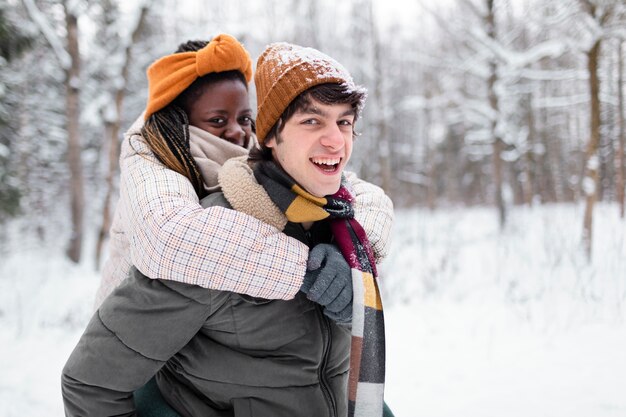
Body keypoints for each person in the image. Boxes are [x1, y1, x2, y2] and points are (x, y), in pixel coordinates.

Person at [62, 40, 392, 416]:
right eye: (312, 120)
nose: (335, 139)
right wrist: (305, 268)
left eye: (345, 122)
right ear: (272, 134)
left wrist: (353, 263)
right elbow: (89, 381)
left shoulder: (324, 211)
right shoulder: (197, 227)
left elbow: (366, 198)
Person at [95, 34, 393, 316]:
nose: (237, 130)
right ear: (178, 121)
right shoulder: (148, 154)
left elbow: (363, 195)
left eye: (245, 118)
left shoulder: (246, 155)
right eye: (217, 119)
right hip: (134, 334)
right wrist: (308, 267)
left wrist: (352, 250)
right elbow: (166, 236)